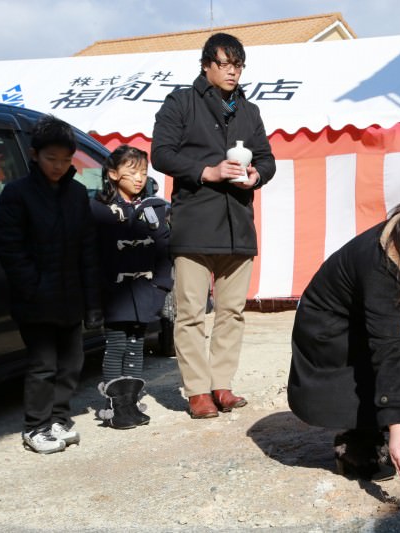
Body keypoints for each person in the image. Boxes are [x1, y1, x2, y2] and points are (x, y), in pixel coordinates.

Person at [287, 191, 400, 481]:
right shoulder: (379, 264)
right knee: (396, 356)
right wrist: (398, 426)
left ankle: (372, 433)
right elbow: (386, 346)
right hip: (328, 337)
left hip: (357, 325)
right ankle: (357, 441)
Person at [151, 32, 276, 418]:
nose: (232, 71)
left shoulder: (249, 111)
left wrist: (256, 177)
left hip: (239, 224)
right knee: (190, 313)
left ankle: (221, 385)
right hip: (195, 222)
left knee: (232, 311)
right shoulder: (181, 102)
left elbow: (268, 158)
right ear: (206, 65)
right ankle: (197, 391)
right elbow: (160, 154)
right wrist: (206, 171)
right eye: (224, 63)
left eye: (237, 65)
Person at [0, 114, 102, 454]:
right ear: (34, 155)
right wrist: (34, 288)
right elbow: (11, 250)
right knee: (43, 365)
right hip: (36, 299)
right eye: (51, 158)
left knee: (72, 362)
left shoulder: (77, 194)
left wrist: (93, 300)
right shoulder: (17, 194)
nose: (58, 166)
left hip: (71, 296)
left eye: (66, 160)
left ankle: (58, 418)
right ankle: (35, 426)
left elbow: (88, 249)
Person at [90, 145, 171, 429]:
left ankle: (133, 401)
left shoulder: (153, 207)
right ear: (113, 174)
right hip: (114, 292)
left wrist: (162, 285)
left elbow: (163, 249)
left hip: (145, 291)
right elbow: (92, 255)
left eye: (144, 172)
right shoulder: (98, 209)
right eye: (132, 171)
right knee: (116, 346)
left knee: (137, 345)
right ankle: (116, 406)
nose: (139, 178)